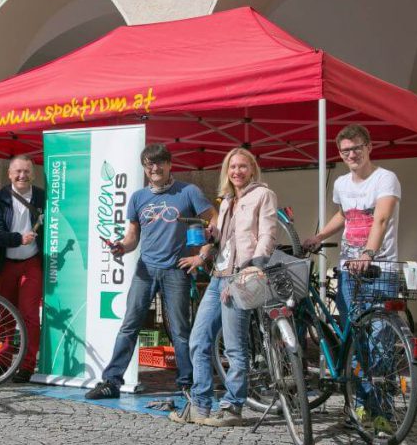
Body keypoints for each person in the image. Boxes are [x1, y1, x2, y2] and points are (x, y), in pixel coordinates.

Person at [85, 143, 216, 400]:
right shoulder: (138, 198)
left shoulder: (188, 191)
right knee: (129, 326)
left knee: (180, 330)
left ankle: (187, 383)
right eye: (148, 164)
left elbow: (215, 219)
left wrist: (202, 255)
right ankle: (111, 382)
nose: (154, 168)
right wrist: (122, 247)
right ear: (144, 168)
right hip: (145, 269)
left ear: (169, 164)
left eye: (159, 163)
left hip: (176, 269)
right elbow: (132, 237)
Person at [303, 124, 401, 434]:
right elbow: (344, 215)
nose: (352, 154)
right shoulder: (342, 184)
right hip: (348, 272)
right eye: (345, 150)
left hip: (379, 270)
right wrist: (319, 236)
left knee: (381, 344)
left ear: (369, 147)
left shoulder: (385, 178)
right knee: (355, 342)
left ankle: (382, 411)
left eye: (357, 147)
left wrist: (369, 253)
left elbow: (381, 218)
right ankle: (359, 405)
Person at [168, 147, 277, 426]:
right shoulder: (227, 200)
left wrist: (254, 266)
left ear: (252, 169)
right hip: (219, 275)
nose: (237, 171)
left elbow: (267, 234)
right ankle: (200, 405)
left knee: (234, 347)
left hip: (242, 275)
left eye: (242, 166)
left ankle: (232, 407)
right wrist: (210, 238)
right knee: (198, 340)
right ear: (226, 172)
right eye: (232, 167)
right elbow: (223, 241)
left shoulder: (263, 195)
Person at [0, 155, 45, 383]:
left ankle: (27, 365)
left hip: (32, 263)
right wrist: (18, 239)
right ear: (9, 174)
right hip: (8, 263)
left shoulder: (42, 197)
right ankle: (1, 360)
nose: (22, 176)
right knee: (6, 313)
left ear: (33, 174)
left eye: (27, 171)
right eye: (18, 171)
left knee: (29, 314)